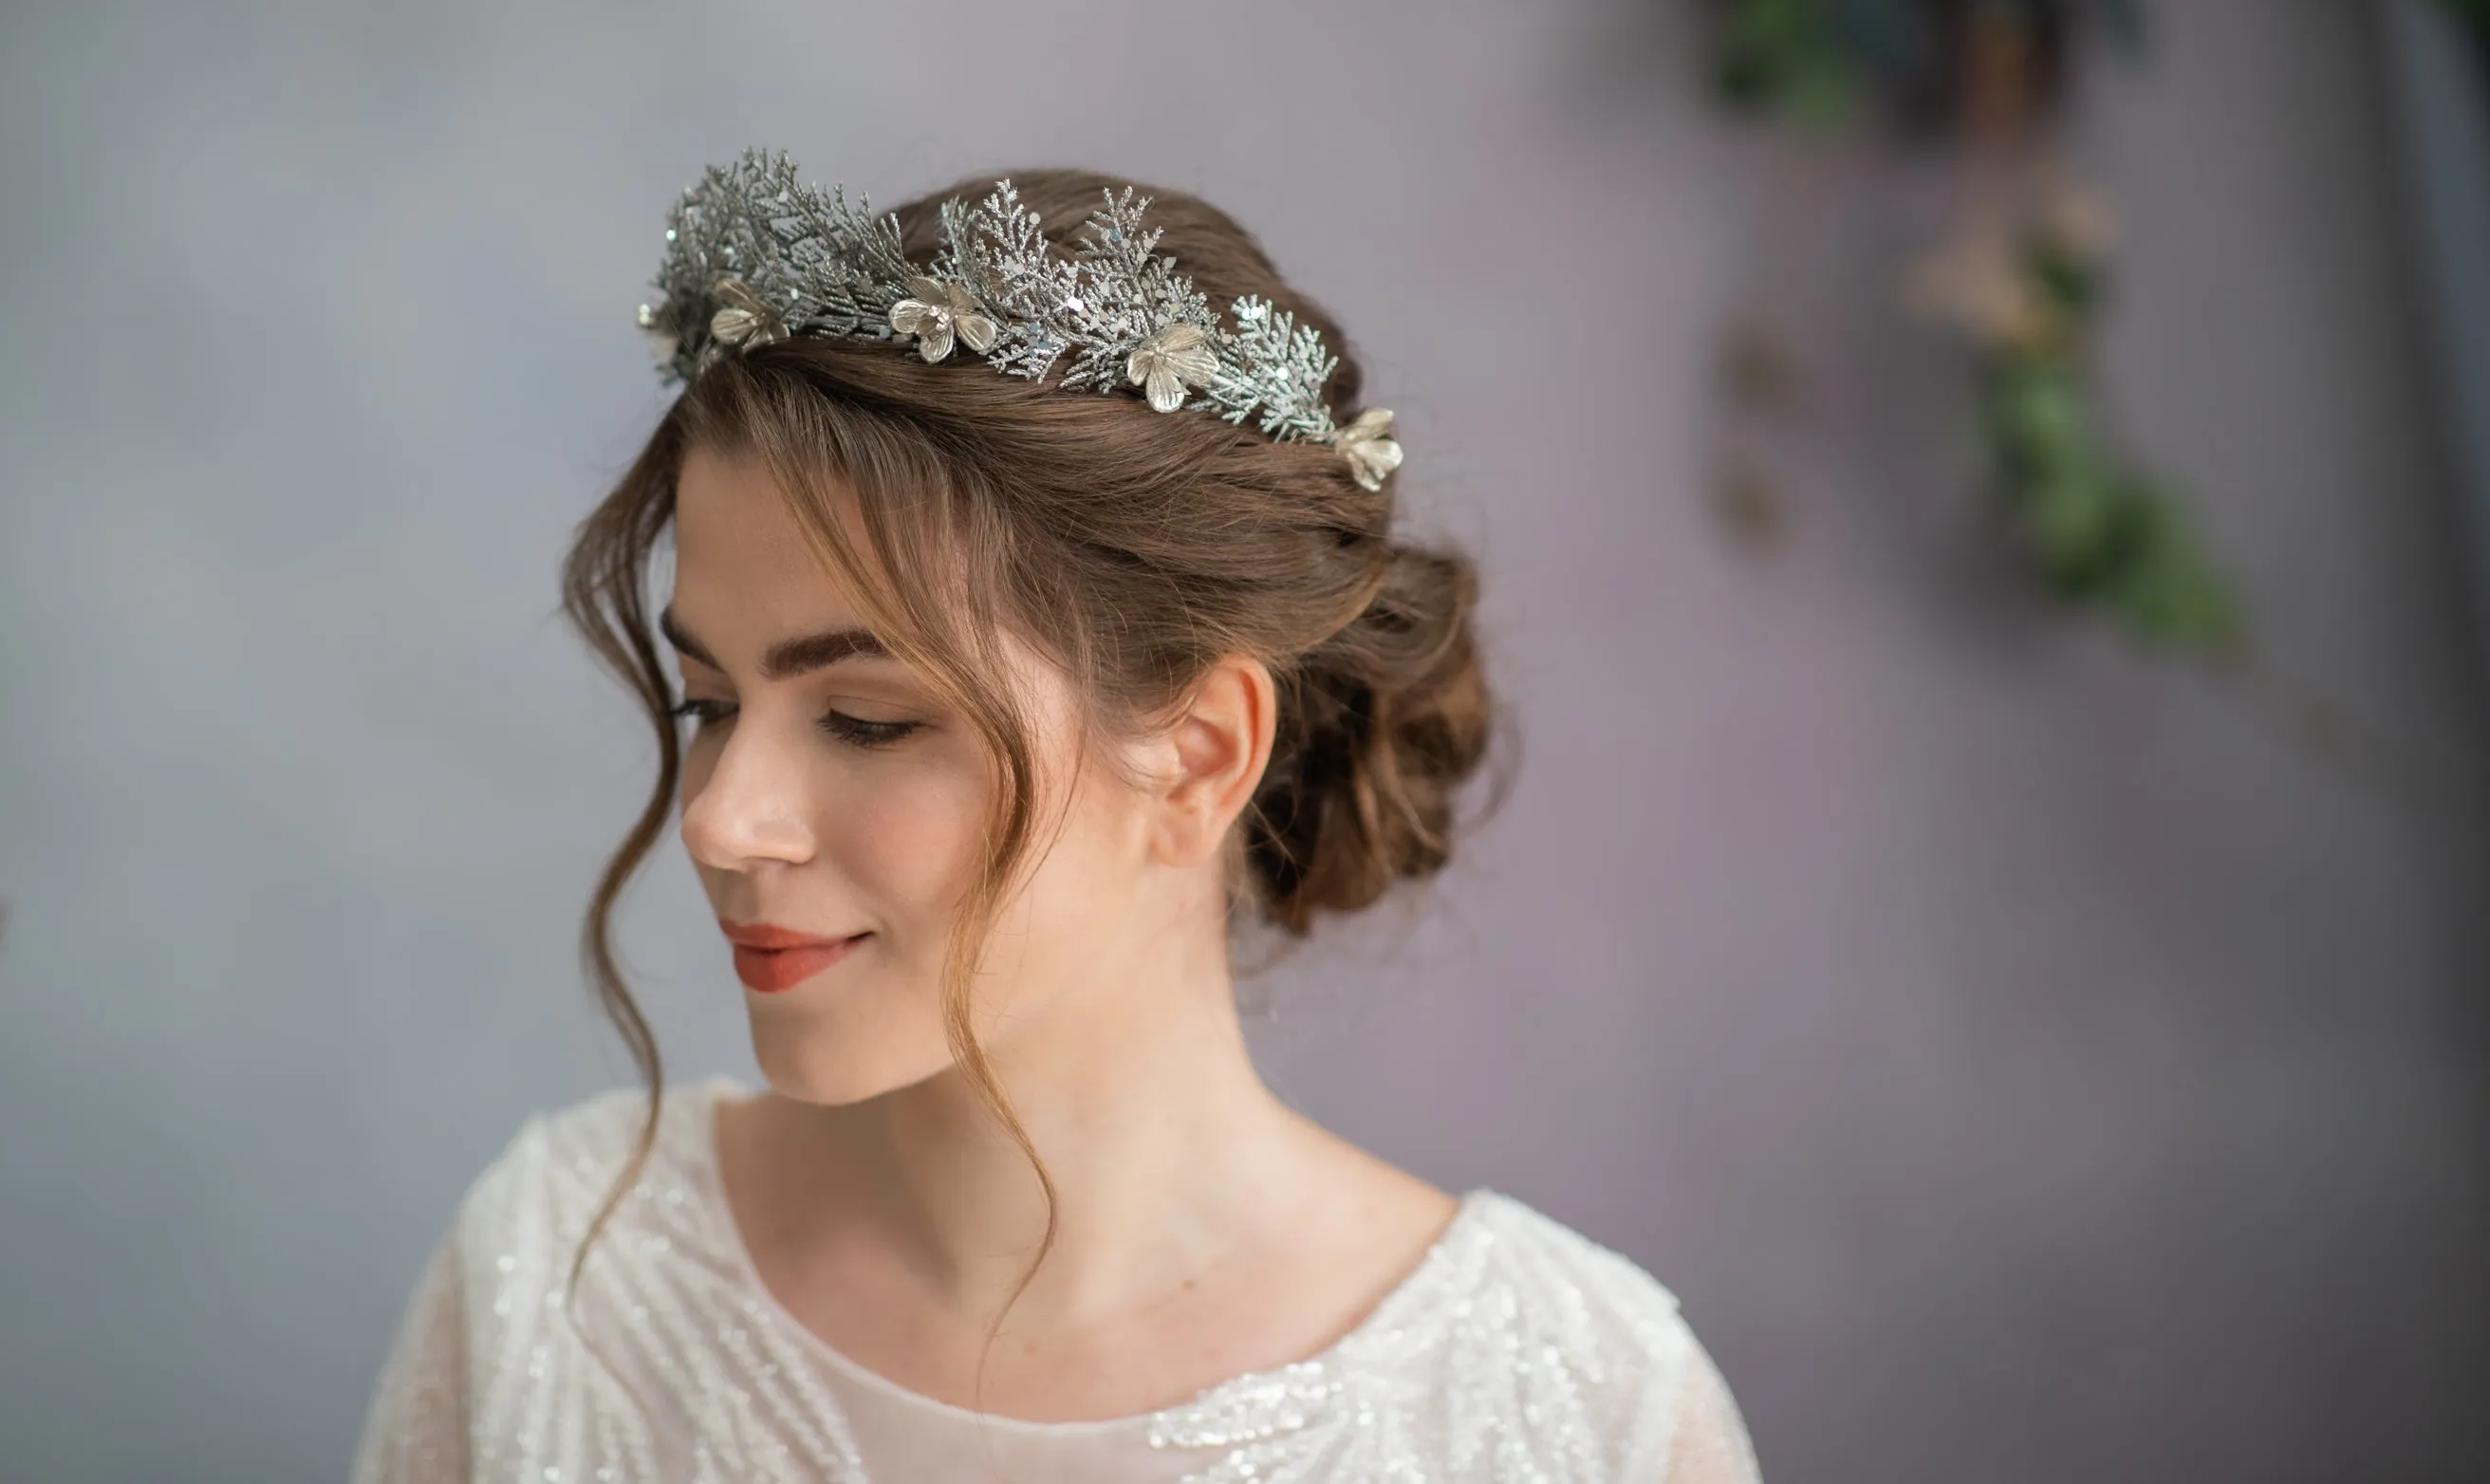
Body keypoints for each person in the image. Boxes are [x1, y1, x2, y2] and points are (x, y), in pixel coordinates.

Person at [350, 154, 1762, 1483]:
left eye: (866, 718)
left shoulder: (1582, 1418)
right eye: (710, 702)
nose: (723, 823)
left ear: (1199, 756)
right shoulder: (552, 1283)